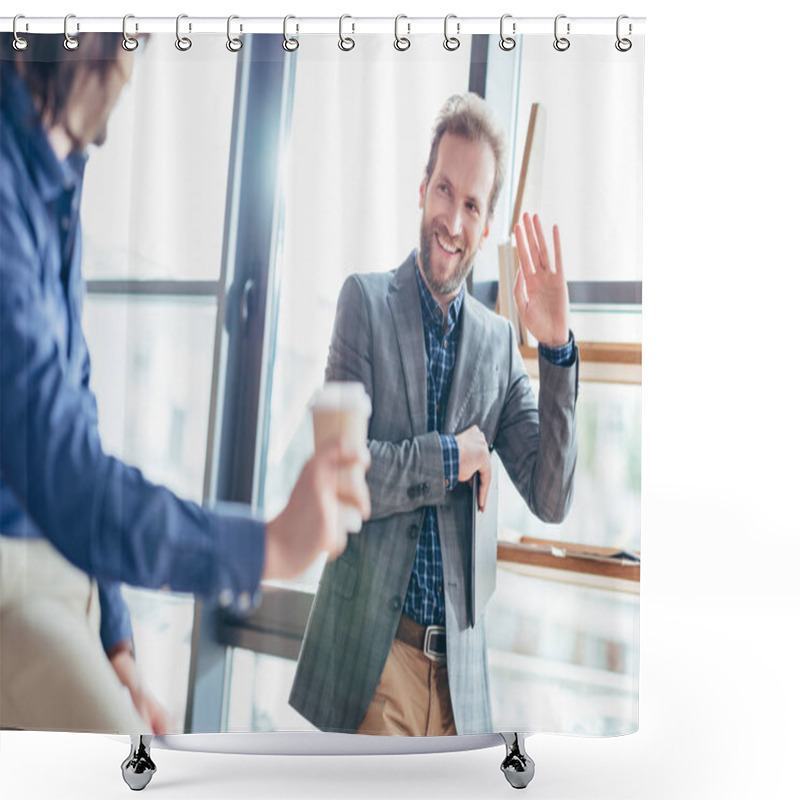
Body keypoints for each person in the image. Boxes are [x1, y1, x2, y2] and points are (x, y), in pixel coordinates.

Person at [0, 34, 370, 735]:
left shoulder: (57, 172)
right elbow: (64, 474)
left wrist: (117, 645)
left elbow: (75, 420)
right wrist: (267, 547)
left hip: (60, 564)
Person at [289, 93, 579, 736]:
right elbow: (347, 479)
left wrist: (557, 348)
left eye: (471, 204)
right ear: (422, 189)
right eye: (444, 190)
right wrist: (457, 457)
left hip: (459, 690)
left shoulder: (500, 346)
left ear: (486, 221)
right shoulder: (364, 304)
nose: (452, 218)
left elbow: (553, 497)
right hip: (375, 664)